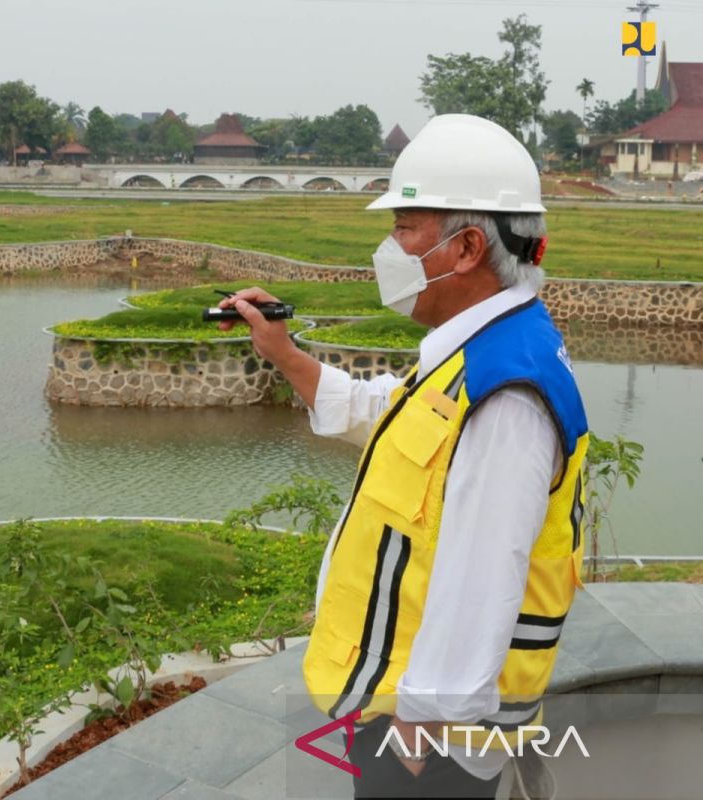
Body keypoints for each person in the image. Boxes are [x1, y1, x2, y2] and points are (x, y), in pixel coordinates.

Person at [217, 114, 588, 799]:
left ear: (467, 246)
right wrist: (286, 353)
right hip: (410, 715)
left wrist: (417, 739)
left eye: (405, 228)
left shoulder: (508, 392)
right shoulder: (478, 352)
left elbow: (482, 577)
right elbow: (384, 414)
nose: (388, 247)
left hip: (435, 741)